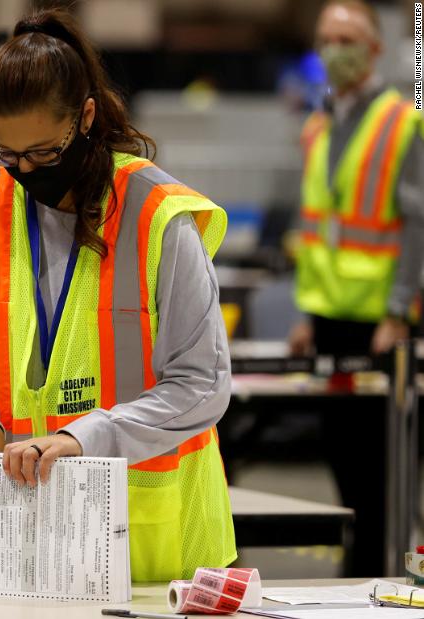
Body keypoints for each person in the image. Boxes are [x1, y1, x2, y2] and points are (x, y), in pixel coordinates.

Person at [0, 8, 235, 582]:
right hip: (21, 537)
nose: (23, 171)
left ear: (85, 117)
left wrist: (83, 437)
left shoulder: (156, 216)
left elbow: (203, 384)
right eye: (5, 154)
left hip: (157, 550)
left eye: (42, 152)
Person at [287, 0, 424, 577]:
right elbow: (318, 227)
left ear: (372, 49)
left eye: (346, 37)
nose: (334, 48)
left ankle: (383, 580)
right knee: (342, 462)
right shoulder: (319, 125)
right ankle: (359, 580)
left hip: (380, 324)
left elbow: (418, 222)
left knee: (383, 472)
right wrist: (303, 313)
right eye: (326, 38)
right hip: (327, 319)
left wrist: (399, 310)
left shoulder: (403, 122)